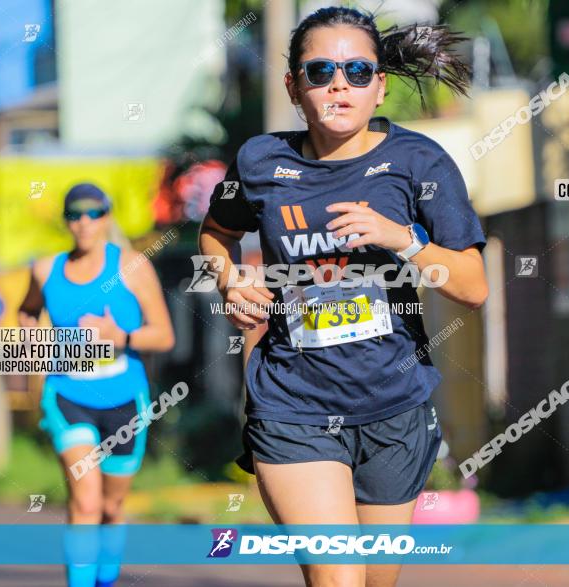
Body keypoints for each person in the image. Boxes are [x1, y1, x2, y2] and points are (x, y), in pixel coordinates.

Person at [199, 7, 488, 586]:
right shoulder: (260, 162)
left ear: (380, 86)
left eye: (358, 71)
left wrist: (400, 239)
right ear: (293, 86)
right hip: (292, 404)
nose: (339, 84)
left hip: (394, 406)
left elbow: (471, 286)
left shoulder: (418, 164)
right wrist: (230, 278)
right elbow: (217, 231)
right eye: (320, 71)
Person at [18, 183, 174, 587]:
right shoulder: (44, 270)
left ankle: (105, 579)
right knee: (85, 501)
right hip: (68, 394)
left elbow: (164, 336)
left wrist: (119, 337)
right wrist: (34, 344)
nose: (84, 222)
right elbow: (27, 312)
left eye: (93, 213)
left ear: (106, 216)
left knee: (111, 504)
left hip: (125, 399)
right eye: (74, 214)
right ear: (66, 220)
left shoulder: (133, 267)